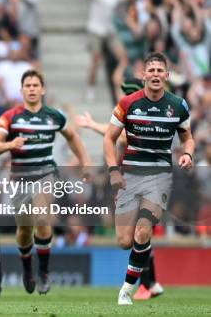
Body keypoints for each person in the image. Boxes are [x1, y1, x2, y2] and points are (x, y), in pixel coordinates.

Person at [0, 69, 91, 295]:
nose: (32, 89)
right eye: (28, 85)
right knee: (24, 230)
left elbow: (72, 136)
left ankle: (43, 272)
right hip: (20, 178)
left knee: (43, 219)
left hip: (46, 174)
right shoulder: (10, 117)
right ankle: (27, 268)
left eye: (36, 85)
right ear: (22, 90)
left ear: (42, 89)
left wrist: (85, 161)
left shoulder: (54, 116)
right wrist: (10, 145)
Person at [104, 52, 194, 305]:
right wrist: (112, 170)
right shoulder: (128, 103)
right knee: (125, 241)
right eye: (151, 70)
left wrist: (187, 153)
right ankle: (144, 276)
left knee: (143, 231)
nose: (155, 74)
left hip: (159, 178)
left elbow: (188, 137)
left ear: (166, 76)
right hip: (130, 177)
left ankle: (127, 290)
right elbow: (109, 138)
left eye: (159, 71)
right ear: (144, 75)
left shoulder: (177, 105)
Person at [77, 78, 164, 300]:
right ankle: (151, 283)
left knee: (141, 232)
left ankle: (144, 285)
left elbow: (123, 137)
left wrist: (93, 125)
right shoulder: (127, 112)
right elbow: (118, 144)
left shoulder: (145, 115)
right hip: (128, 182)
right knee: (128, 240)